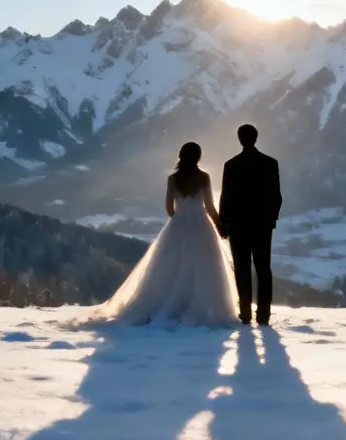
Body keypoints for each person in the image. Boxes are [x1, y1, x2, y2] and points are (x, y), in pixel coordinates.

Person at [94, 141, 238, 326]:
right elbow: (209, 206)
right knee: (204, 267)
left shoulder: (173, 178)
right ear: (198, 157)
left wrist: (179, 216)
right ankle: (199, 305)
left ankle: (167, 304)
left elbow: (169, 208)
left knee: (170, 267)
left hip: (177, 226)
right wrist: (219, 226)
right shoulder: (204, 177)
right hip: (201, 226)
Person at [219, 123, 282, 325]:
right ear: (256, 137)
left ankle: (245, 312)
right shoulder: (270, 164)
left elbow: (225, 197)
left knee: (242, 268)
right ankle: (264, 314)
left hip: (238, 226)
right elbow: (276, 197)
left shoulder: (231, 165)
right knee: (264, 269)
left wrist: (224, 222)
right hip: (262, 226)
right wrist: (271, 220)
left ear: (239, 138)